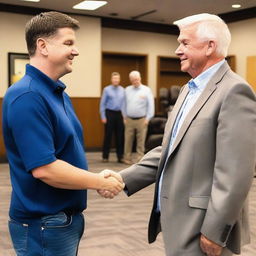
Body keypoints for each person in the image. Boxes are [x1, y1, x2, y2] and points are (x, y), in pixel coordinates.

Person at [99, 13, 256, 256]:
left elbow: (235, 172)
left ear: (209, 47)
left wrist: (215, 231)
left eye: (184, 43)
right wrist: (123, 178)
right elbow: (170, 148)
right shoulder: (188, 89)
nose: (177, 50)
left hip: (203, 226)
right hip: (177, 220)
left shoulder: (234, 91)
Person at [2, 11, 123, 256]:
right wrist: (99, 181)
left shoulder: (58, 93)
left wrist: (96, 175)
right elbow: (45, 168)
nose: (75, 51)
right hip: (44, 224)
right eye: (68, 43)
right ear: (42, 46)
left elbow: (64, 154)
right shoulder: (27, 96)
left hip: (61, 221)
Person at [122, 71, 155, 164]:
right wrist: (124, 116)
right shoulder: (127, 89)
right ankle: (127, 158)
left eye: (136, 79)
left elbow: (151, 105)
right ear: (130, 80)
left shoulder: (146, 90)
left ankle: (140, 158)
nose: (135, 81)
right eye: (132, 80)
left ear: (140, 78)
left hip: (142, 119)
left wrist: (148, 118)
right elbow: (123, 104)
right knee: (128, 140)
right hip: (129, 119)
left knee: (141, 141)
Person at [100, 72, 125, 163]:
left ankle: (120, 157)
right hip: (109, 114)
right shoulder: (106, 89)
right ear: (111, 79)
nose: (116, 80)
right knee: (108, 136)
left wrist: (124, 117)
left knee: (120, 136)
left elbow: (124, 104)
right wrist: (103, 116)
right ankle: (105, 156)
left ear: (119, 80)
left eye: (117, 78)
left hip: (119, 115)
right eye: (114, 78)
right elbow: (102, 104)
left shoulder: (123, 90)